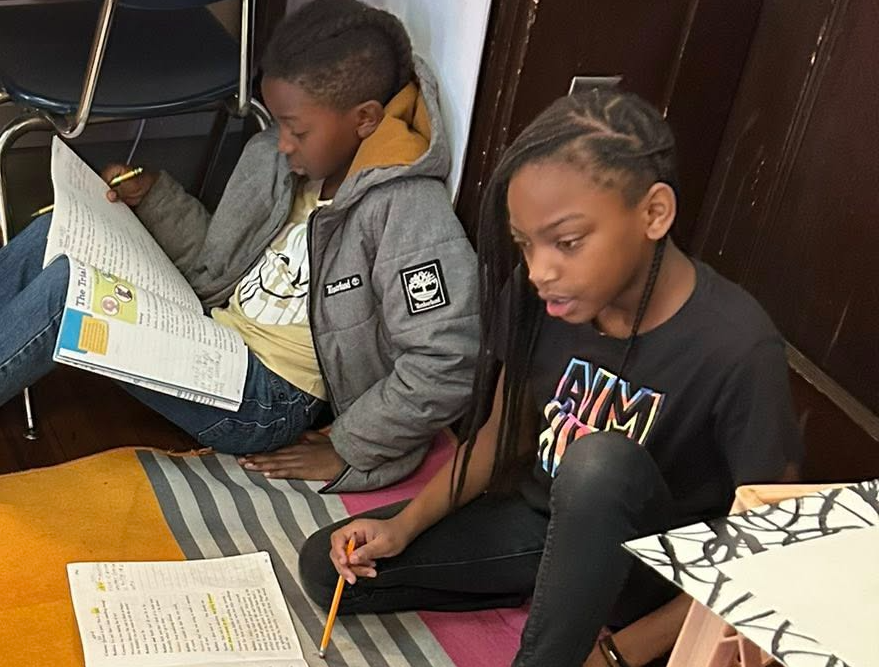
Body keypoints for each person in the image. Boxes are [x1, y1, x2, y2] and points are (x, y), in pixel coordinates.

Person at [0, 0, 477, 505]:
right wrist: (156, 198)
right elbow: (219, 262)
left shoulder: (407, 214)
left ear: (366, 119)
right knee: (50, 238)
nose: (281, 143)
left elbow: (447, 363)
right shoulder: (285, 158)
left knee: (69, 301)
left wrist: (348, 443)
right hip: (212, 337)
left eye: (297, 130)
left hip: (268, 401)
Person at [297, 90, 802, 666]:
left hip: (656, 573)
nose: (540, 271)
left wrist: (617, 656)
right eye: (524, 244)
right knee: (330, 568)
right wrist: (405, 527)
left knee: (600, 463)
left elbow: (764, 550)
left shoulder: (737, 345)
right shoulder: (539, 298)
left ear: (654, 214)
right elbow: (496, 436)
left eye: (567, 242)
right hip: (545, 530)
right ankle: (557, 599)